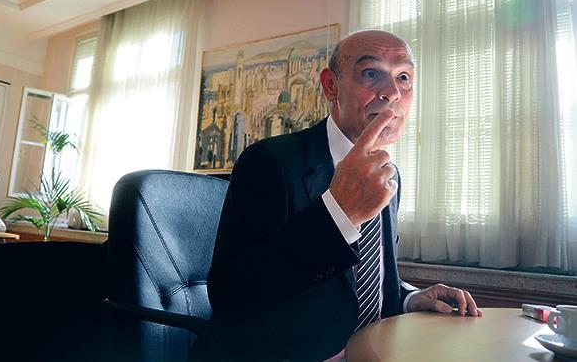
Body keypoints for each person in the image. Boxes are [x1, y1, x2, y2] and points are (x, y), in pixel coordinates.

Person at [202, 30, 482, 362]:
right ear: (330, 86)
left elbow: (359, 282)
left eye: (404, 77)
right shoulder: (269, 161)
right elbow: (233, 296)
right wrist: (338, 214)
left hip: (377, 351)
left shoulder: (389, 175)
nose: (392, 93)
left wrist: (409, 298)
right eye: (371, 73)